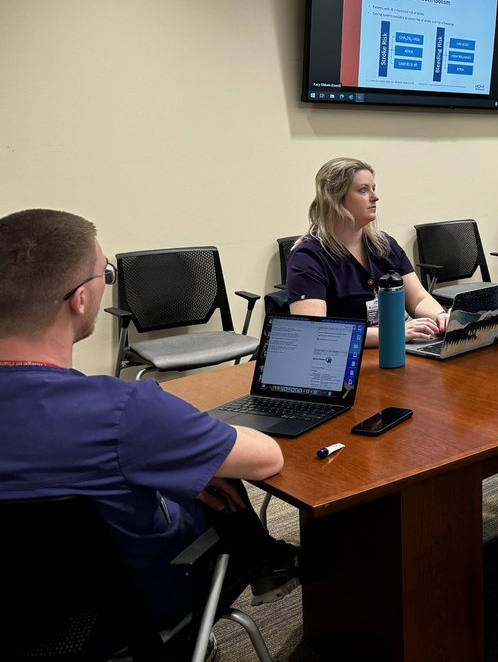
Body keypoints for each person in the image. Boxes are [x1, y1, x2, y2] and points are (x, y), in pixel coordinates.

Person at [0, 209, 297, 628]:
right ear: (80, 299)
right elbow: (267, 458)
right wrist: (180, 460)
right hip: (128, 618)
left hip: (20, 623)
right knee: (222, 480)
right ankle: (270, 560)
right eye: (104, 275)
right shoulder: (125, 411)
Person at [287, 157, 448, 346]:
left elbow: (418, 299)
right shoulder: (308, 258)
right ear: (335, 199)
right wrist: (391, 333)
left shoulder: (384, 245)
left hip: (393, 350)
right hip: (344, 361)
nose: (375, 197)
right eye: (363, 190)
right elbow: (316, 331)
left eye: (374, 188)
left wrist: (440, 316)